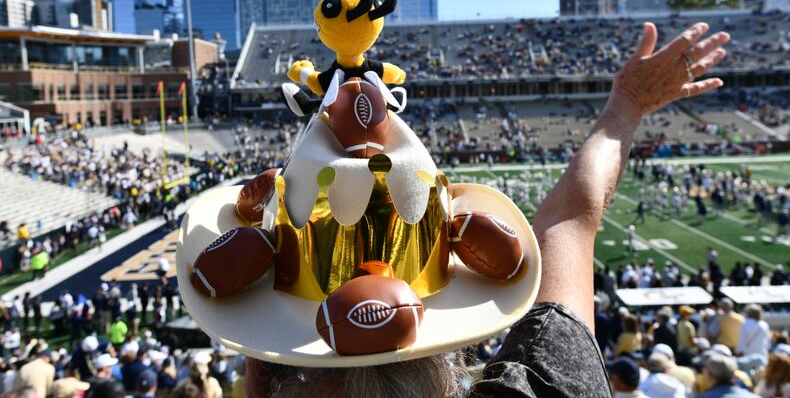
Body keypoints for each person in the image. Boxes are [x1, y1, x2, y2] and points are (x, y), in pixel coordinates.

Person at [243, 21, 730, 396]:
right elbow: (571, 220)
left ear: (259, 380)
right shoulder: (543, 387)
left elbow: (571, 220)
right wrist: (626, 103)